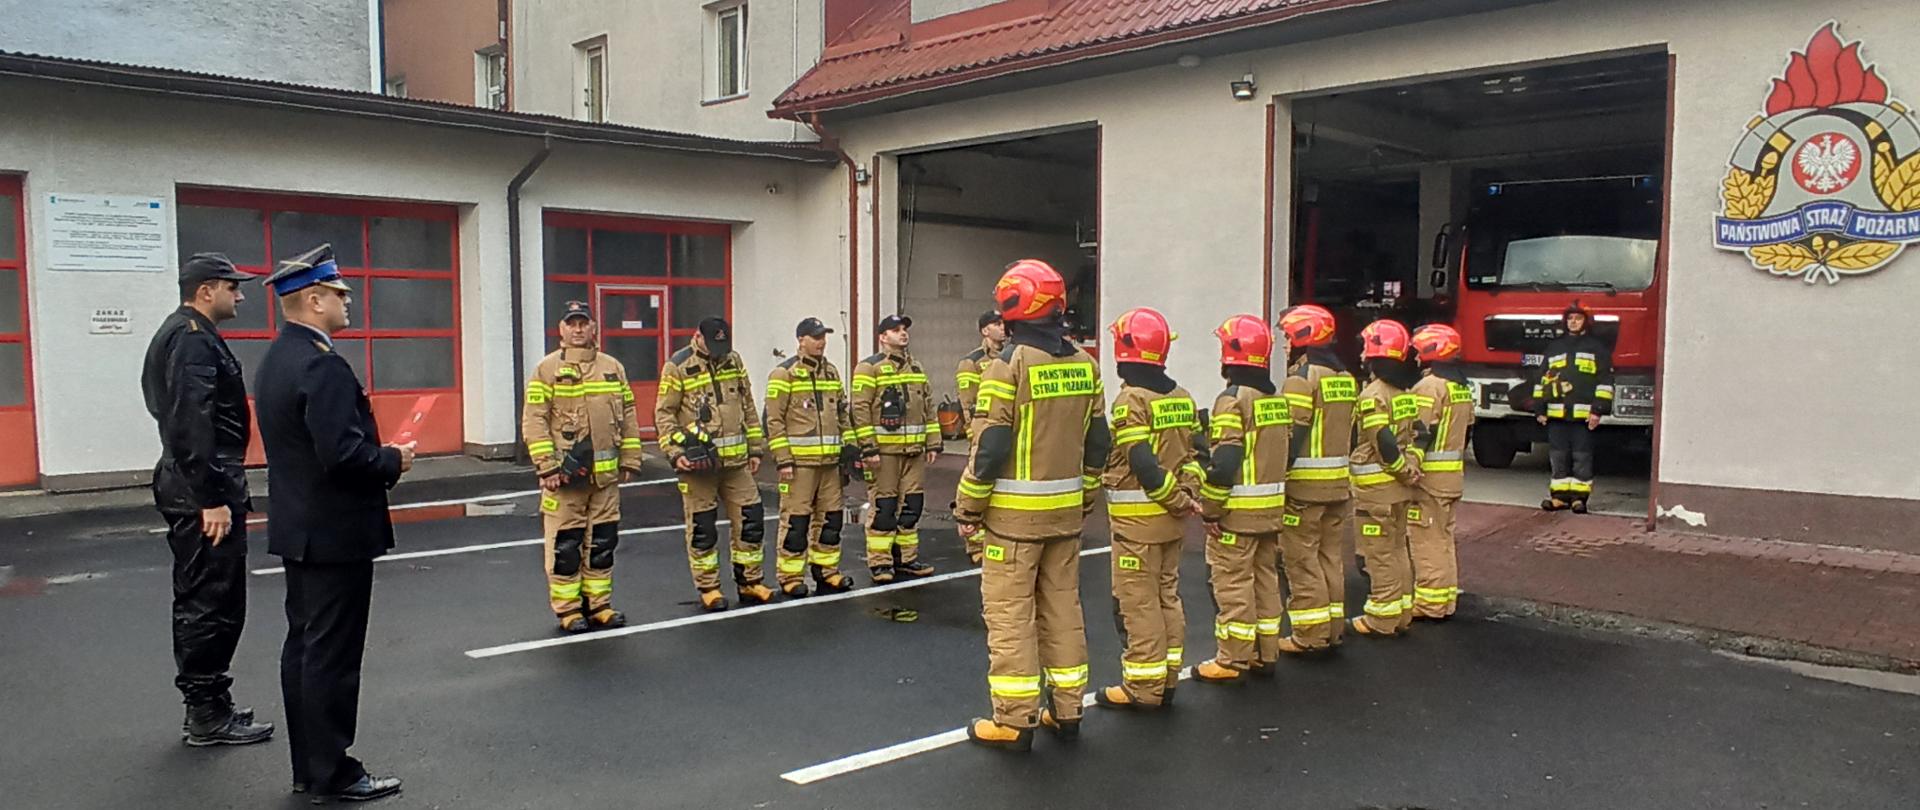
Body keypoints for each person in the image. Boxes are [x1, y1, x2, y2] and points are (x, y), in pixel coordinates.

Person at [255, 244, 411, 803]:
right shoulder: (321, 363)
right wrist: (393, 458)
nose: (348, 302)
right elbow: (343, 455)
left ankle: (310, 767)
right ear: (313, 299)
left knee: (305, 648)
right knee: (331, 658)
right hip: (335, 534)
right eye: (340, 294)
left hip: (301, 530)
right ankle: (332, 772)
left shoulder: (278, 358)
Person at [956, 259, 1108, 751]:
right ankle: (1067, 710)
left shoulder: (1009, 364)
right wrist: (1085, 493)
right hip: (1065, 517)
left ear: (1013, 304)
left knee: (1011, 616)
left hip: (1013, 523)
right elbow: (1099, 442)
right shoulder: (1086, 364)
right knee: (1063, 608)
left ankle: (1015, 720)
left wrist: (967, 508)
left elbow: (992, 446)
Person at [140, 252, 275, 747]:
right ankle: (206, 713)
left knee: (211, 598)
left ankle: (212, 703)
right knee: (209, 602)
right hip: (203, 488)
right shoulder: (193, 340)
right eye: (231, 287)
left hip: (197, 482)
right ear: (205, 292)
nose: (239, 295)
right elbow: (190, 421)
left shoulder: (181, 334)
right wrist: (211, 497)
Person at [1092, 307, 1199, 711]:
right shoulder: (1182, 396)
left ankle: (1144, 686)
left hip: (1139, 522)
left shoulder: (1130, 400)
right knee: (1167, 595)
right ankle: (1168, 678)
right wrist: (1185, 497)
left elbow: (1141, 462)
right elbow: (1193, 456)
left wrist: (1173, 498)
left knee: (1138, 603)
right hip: (1171, 523)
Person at [522, 301, 644, 633]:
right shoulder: (546, 370)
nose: (578, 330)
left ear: (594, 328)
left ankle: (599, 604)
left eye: (583, 323)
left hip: (605, 480)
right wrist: (547, 467)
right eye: (571, 324)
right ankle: (568, 609)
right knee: (566, 545)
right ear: (561, 330)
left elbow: (629, 416)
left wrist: (631, 458)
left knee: (602, 543)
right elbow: (534, 421)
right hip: (565, 480)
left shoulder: (612, 367)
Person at [1194, 315, 1290, 683]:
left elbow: (1226, 460)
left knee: (1233, 584)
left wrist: (1211, 509)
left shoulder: (1232, 401)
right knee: (1264, 579)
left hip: (1238, 514)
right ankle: (1265, 651)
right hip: (1270, 512)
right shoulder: (1276, 399)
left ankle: (1232, 658)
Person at [657, 317, 771, 611]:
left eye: (724, 344)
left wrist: (755, 449)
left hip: (736, 463)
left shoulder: (733, 360)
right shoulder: (678, 366)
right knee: (703, 527)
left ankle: (750, 582)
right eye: (714, 344)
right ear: (698, 337)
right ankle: (708, 587)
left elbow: (747, 405)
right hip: (699, 466)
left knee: (751, 519)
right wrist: (674, 452)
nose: (720, 351)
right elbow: (665, 415)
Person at [1273, 304, 1357, 653]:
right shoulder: (1346, 378)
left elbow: (1293, 432)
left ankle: (1309, 635)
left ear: (1302, 336)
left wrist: (1279, 472)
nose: (1286, 343)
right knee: (1329, 558)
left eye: (1288, 335)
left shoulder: (1301, 378)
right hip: (1338, 484)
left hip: (1305, 488)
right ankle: (1333, 627)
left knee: (1301, 559)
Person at [764, 317, 859, 598]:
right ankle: (791, 576)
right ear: (801, 340)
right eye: (816, 337)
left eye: (823, 337)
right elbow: (774, 420)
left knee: (830, 521)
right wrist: (783, 460)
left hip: (830, 465)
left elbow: (843, 412)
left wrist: (850, 447)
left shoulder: (831, 372)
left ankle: (826, 571)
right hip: (799, 466)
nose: (821, 342)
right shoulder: (784, 374)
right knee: (796, 522)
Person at [1347, 319, 1422, 638]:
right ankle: (1402, 612)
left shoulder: (1372, 394)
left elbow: (1382, 439)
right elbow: (1422, 433)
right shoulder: (1405, 392)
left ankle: (1382, 618)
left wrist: (1401, 469)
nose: (1362, 353)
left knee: (1379, 554)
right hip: (1400, 491)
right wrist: (1413, 466)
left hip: (1377, 492)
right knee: (1397, 549)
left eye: (1367, 348)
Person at [852, 314, 939, 583]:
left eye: (904, 330)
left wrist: (933, 442)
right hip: (884, 454)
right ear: (882, 337)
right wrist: (868, 448)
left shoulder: (916, 368)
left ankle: (907, 559)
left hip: (913, 452)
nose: (903, 334)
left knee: (912, 505)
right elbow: (860, 408)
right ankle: (880, 562)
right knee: (885, 506)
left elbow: (929, 407)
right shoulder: (869, 368)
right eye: (896, 330)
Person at [1408, 323, 1473, 620]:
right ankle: (1445, 599)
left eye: (1419, 350)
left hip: (1430, 479)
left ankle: (1430, 603)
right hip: (1452, 477)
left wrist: (1410, 467)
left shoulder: (1430, 386)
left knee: (1426, 539)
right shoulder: (1461, 387)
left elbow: (1420, 433)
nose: (1416, 356)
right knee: (1444, 537)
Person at [1532, 301, 1614, 513]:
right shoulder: (1555, 347)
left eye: (1578, 318)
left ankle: (1579, 499)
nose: (1573, 322)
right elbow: (1543, 379)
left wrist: (1598, 410)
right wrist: (1539, 409)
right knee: (1558, 456)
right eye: (1570, 318)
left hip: (1583, 415)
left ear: (1586, 322)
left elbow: (1605, 382)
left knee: (1582, 456)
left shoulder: (1597, 348)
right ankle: (1559, 497)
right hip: (1556, 414)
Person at [953, 310, 1007, 564]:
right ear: (985, 331)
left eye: (1003, 323)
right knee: (977, 483)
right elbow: (969, 403)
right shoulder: (971, 362)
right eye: (996, 324)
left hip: (1005, 433)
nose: (1002, 328)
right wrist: (975, 434)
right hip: (983, 433)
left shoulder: (1012, 357)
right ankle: (974, 544)